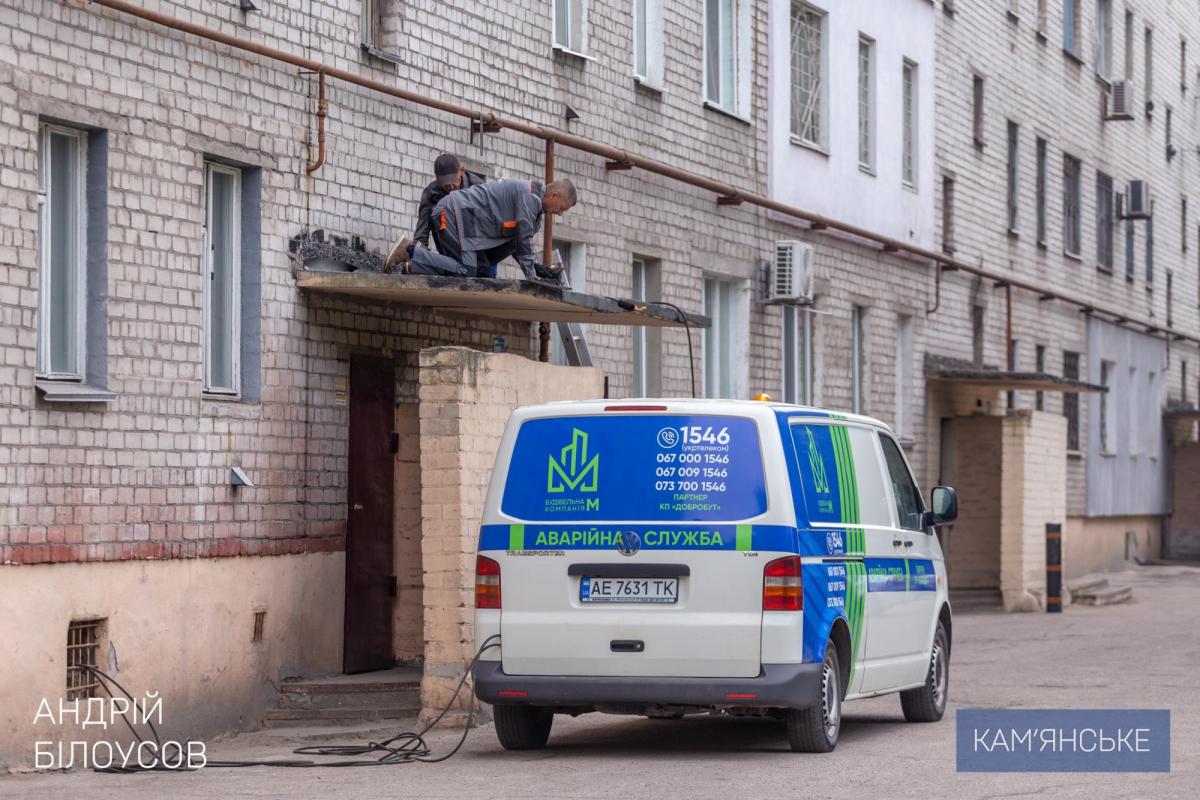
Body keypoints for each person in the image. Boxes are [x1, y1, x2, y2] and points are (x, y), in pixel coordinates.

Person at [384, 178, 578, 282]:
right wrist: (532, 278)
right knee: (468, 270)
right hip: (455, 213)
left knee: (480, 274)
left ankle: (415, 267)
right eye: (562, 208)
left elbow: (518, 245)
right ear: (554, 195)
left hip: (466, 222)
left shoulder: (536, 216)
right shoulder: (530, 198)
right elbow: (524, 238)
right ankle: (409, 250)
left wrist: (536, 269)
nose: (559, 214)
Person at [412, 153, 484, 254]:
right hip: (449, 251)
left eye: (454, 181)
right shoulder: (430, 194)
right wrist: (418, 254)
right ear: (437, 179)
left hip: (481, 247)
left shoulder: (478, 188)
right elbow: (421, 234)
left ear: (461, 171)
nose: (450, 187)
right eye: (445, 184)